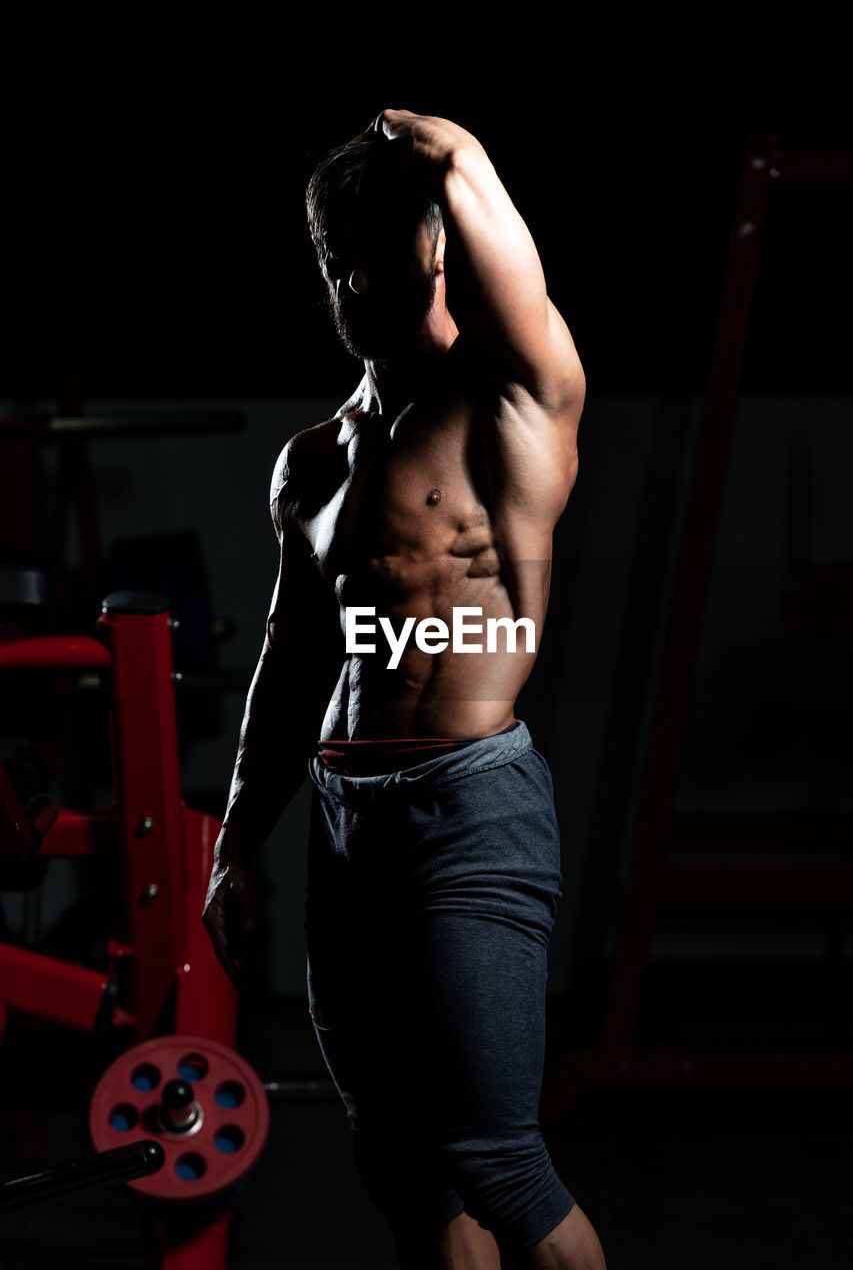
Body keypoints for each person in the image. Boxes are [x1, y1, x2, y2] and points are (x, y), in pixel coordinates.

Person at [203, 109, 606, 1269]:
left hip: (467, 811)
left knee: (498, 1160)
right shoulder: (314, 458)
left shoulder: (514, 399)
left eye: (385, 255)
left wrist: (455, 152)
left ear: (439, 252)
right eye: (339, 265)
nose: (360, 283)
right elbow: (289, 659)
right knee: (401, 1164)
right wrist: (237, 845)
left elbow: (506, 263)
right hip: (344, 824)